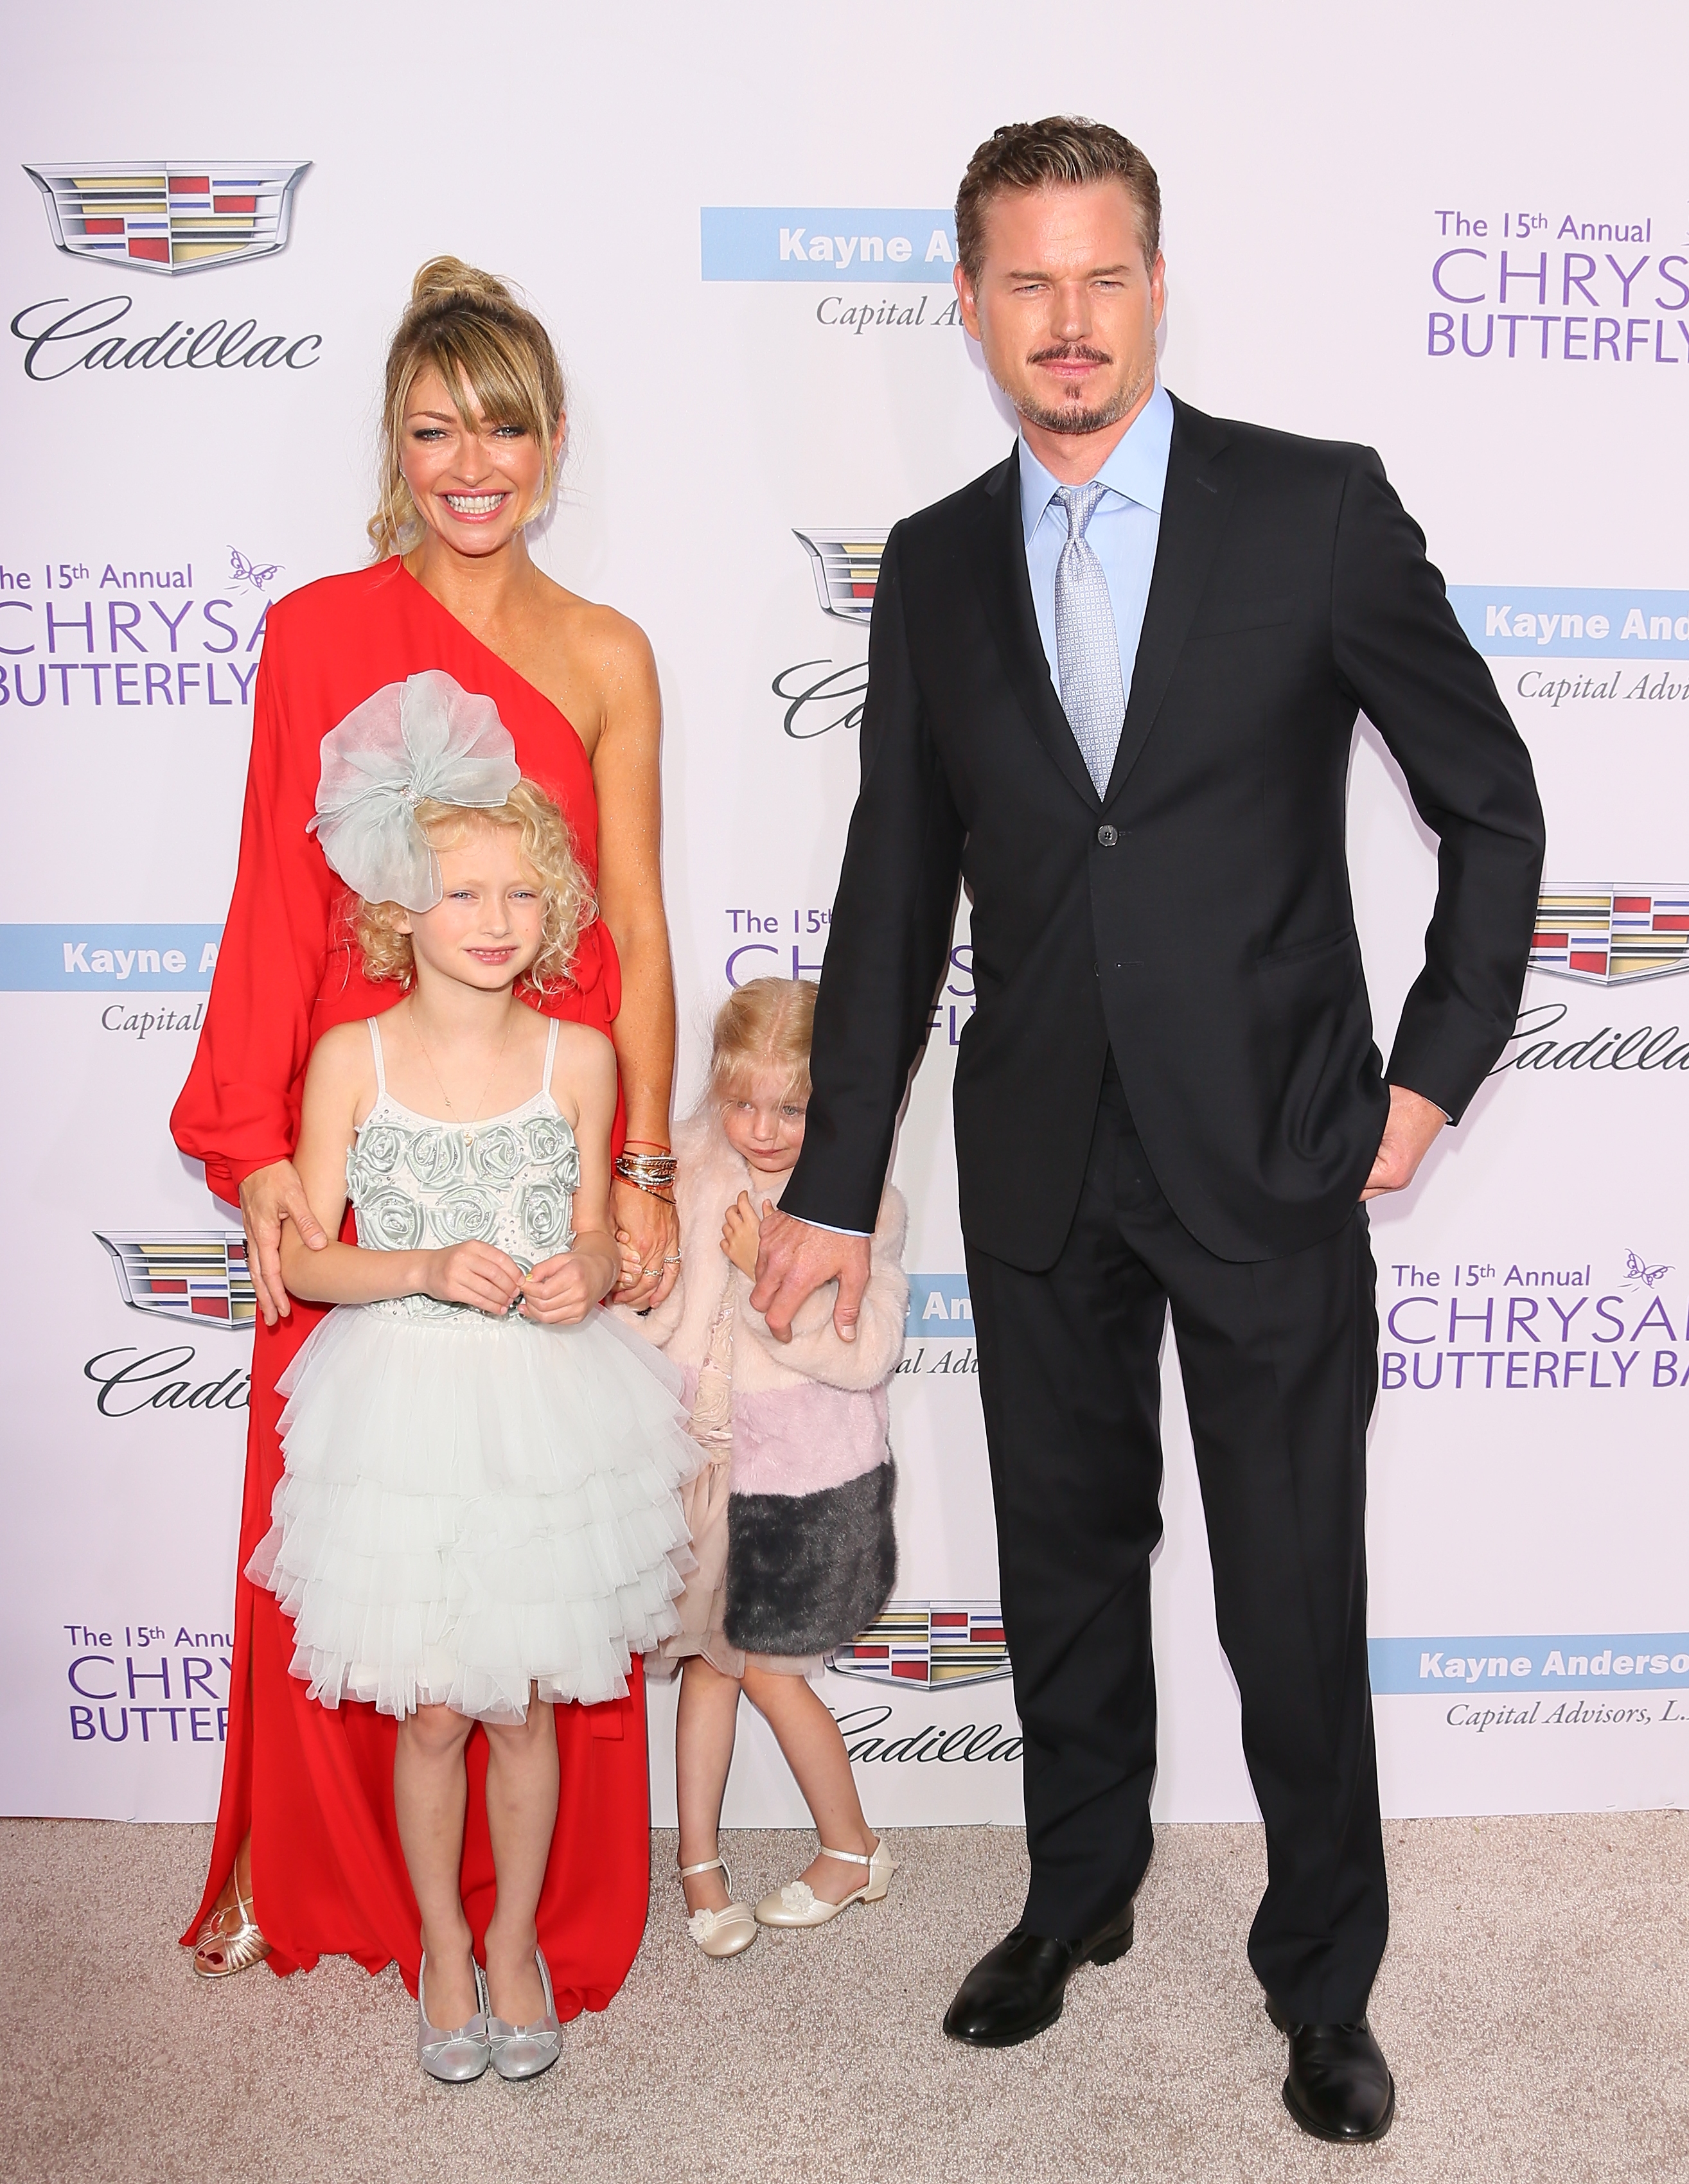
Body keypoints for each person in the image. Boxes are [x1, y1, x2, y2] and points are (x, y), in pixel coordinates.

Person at [750, 119, 1545, 2144]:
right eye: (1025, 281)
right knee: (1067, 1570)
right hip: (1039, 1156)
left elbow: (1489, 804)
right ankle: (1074, 1895)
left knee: (1290, 1585)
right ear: (970, 304)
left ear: (1154, 284)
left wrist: (1426, 1077)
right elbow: (890, 884)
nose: (1067, 321)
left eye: (1100, 277)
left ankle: (1319, 1980)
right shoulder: (930, 565)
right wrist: (836, 1182)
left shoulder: (1312, 513)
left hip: (1275, 1146)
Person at [171, 257, 682, 2009]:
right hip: (357, 1142)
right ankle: (356, 1902)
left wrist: (636, 1174)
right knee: (367, 1571)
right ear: (396, 444)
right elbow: (265, 903)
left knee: (543, 1556)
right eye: (435, 427)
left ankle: (528, 1925)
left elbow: (632, 924)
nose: (474, 461)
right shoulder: (314, 628)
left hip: (541, 1140)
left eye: (506, 425)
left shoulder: (610, 653)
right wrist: (259, 1154)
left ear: (550, 442)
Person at [250, 694, 693, 2080]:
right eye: (460, 892)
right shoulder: (349, 1058)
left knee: (523, 1702)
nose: (495, 918)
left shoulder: (582, 1057)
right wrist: (426, 1265)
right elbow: (311, 1259)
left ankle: (514, 1947)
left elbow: (591, 1228)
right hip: (401, 1410)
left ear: (555, 903)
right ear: (399, 902)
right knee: (435, 1704)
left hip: (546, 1410)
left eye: (520, 891)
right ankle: (444, 1939)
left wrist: (586, 1264)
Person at [621, 979, 904, 1957]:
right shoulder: (687, 1168)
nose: (764, 1127)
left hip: (795, 1490)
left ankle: (853, 1848)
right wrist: (632, 1290)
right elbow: (659, 1313)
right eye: (744, 1102)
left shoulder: (861, 1201)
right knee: (706, 1668)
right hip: (697, 1471)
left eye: (791, 1107)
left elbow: (863, 1353)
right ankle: (698, 1869)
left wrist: (763, 1284)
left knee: (776, 1679)